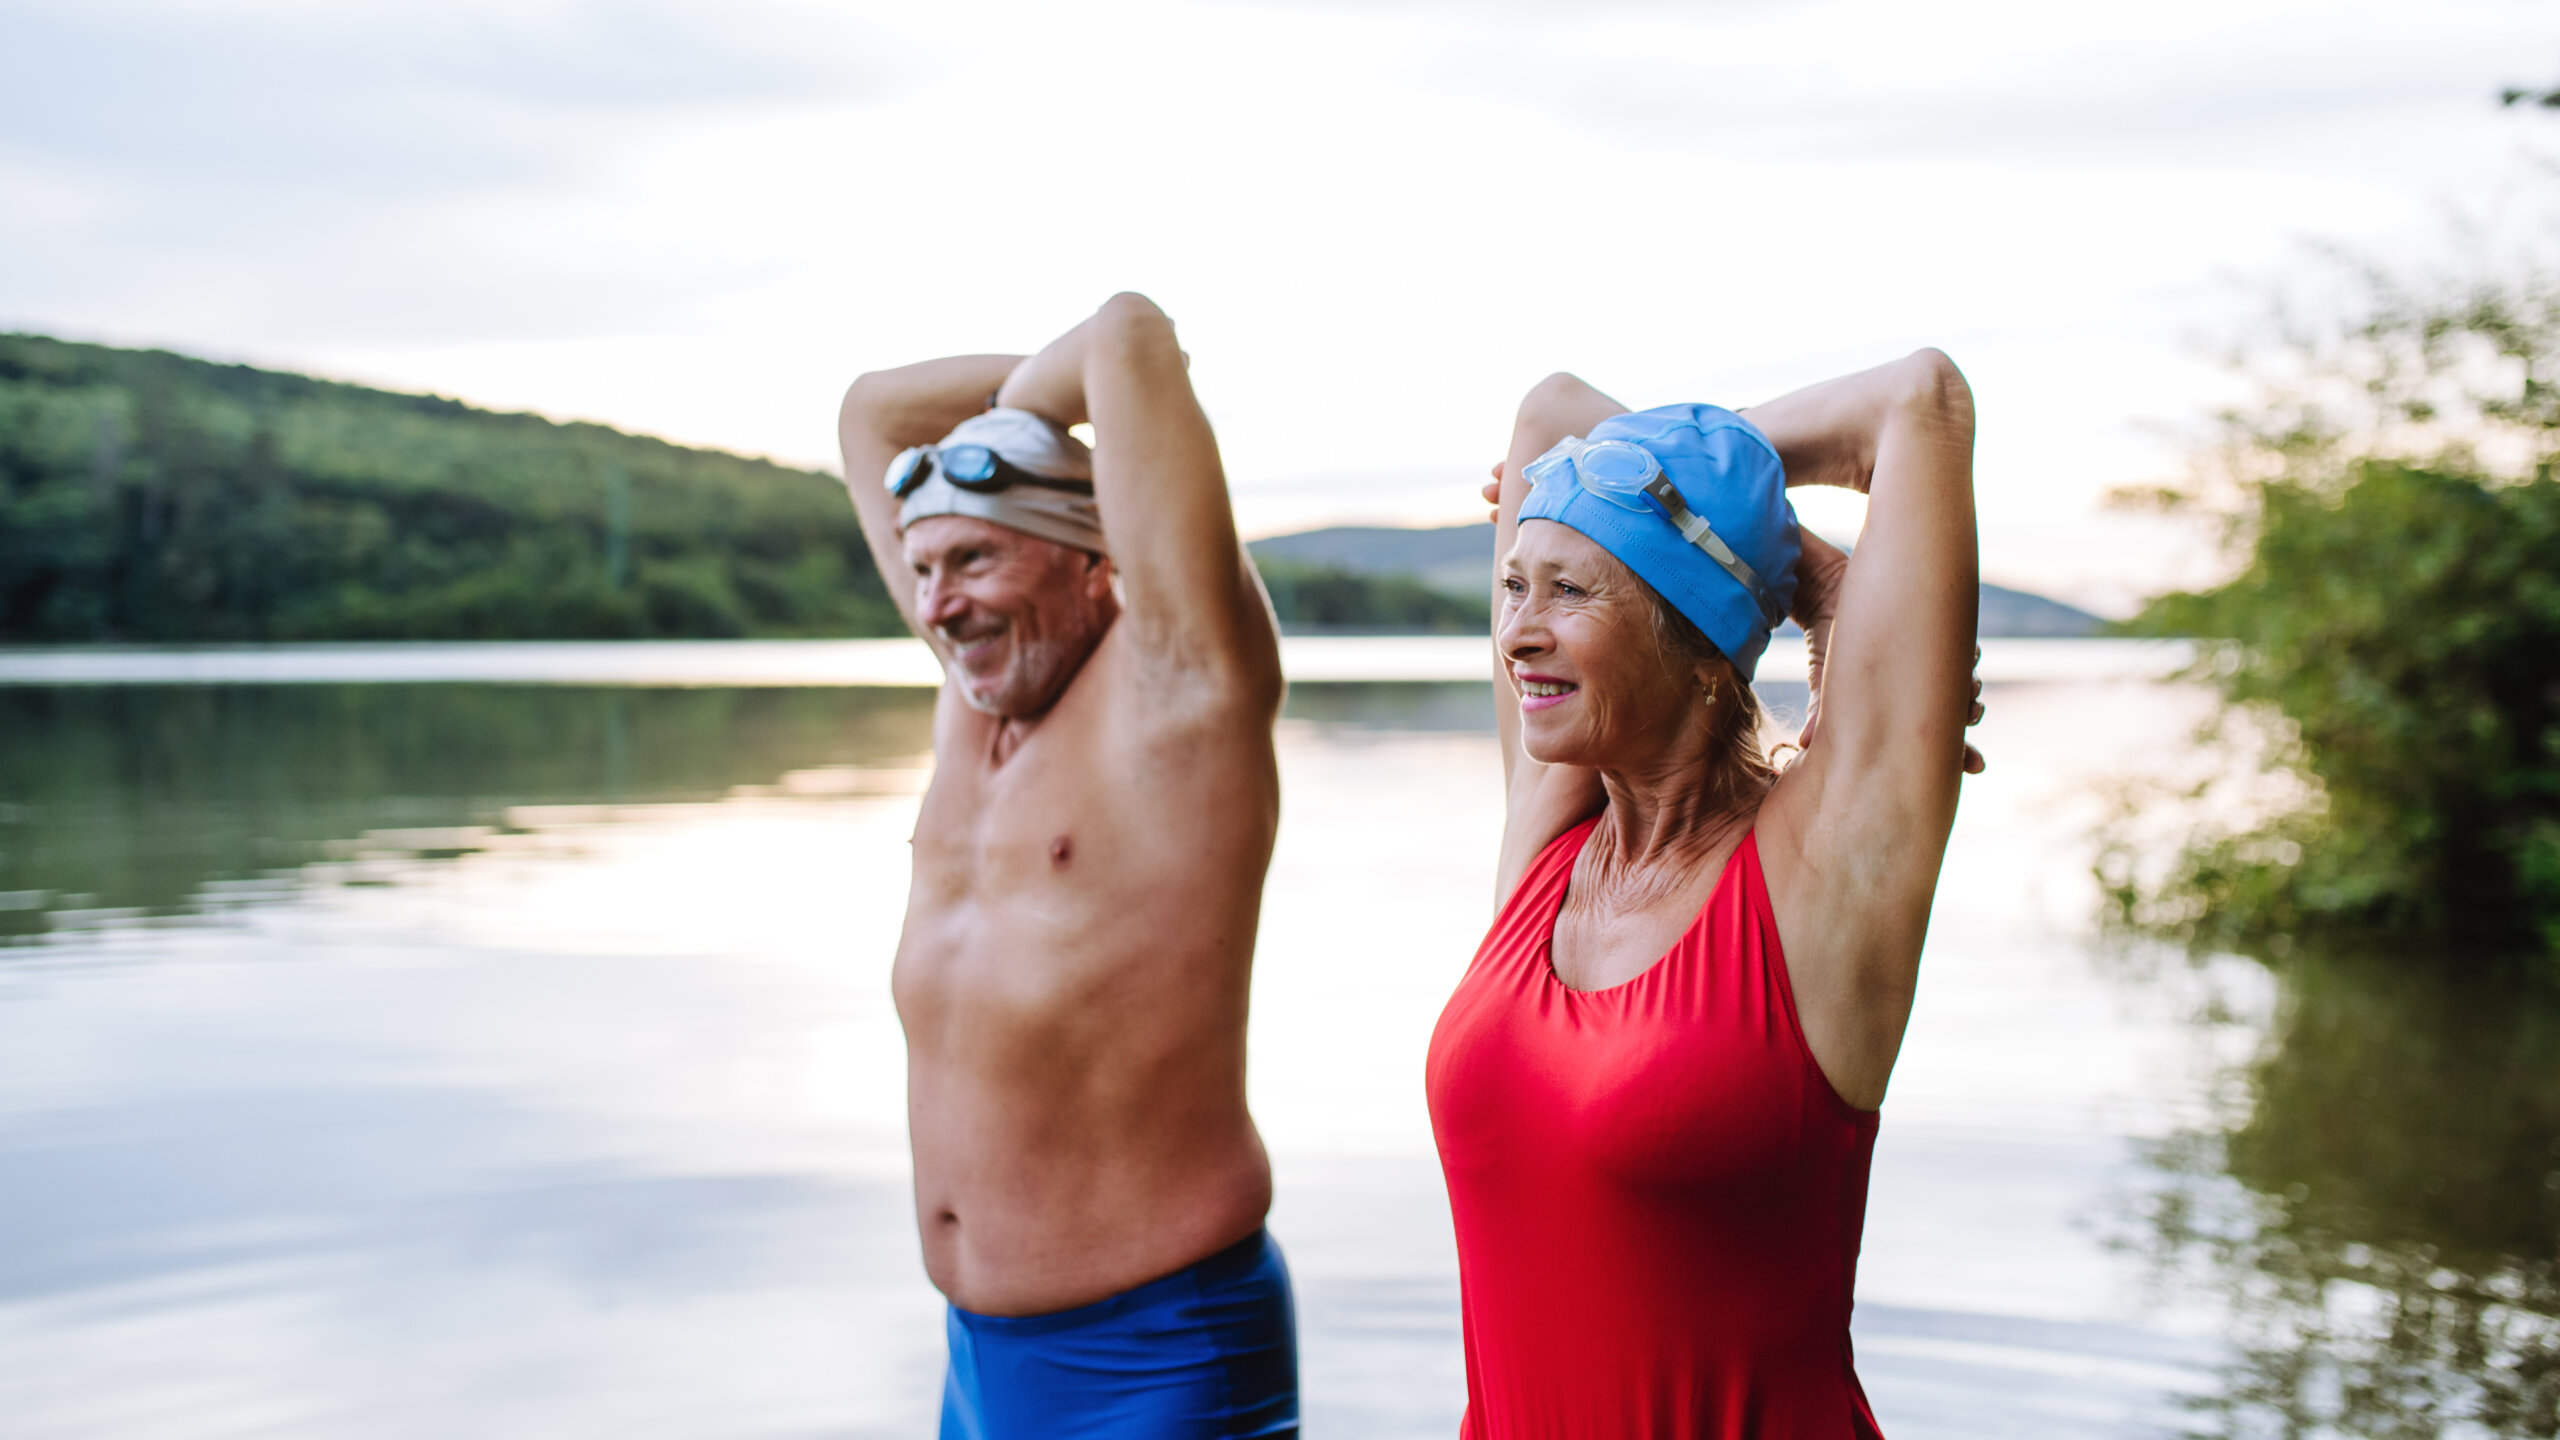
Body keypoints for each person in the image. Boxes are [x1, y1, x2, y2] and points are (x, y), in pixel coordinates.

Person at [1424, 357, 1986, 1437]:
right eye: (1513, 586)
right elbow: (1550, 406)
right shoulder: (1551, 839)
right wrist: (1767, 545)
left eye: (1570, 590)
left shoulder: (1824, 873)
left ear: (1701, 654)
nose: (1516, 634)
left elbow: (1917, 404)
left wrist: (1760, 548)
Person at [835, 294, 1296, 1440]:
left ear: (1095, 563)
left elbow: (1128, 339)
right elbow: (867, 412)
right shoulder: (975, 697)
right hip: (976, 1365)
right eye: (923, 565)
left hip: (1154, 1355)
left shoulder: (1180, 696)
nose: (936, 604)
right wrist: (992, 455)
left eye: (975, 558)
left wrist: (1023, 419)